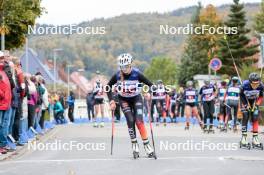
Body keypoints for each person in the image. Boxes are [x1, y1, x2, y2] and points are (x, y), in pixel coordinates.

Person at [107, 53, 155, 158]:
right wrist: (111, 101)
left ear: (130, 65)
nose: (124, 69)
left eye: (126, 66)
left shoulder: (137, 73)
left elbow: (151, 85)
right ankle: (134, 144)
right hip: (123, 99)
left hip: (136, 98)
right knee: (130, 120)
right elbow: (108, 87)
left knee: (139, 121)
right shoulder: (117, 75)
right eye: (122, 67)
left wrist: (148, 93)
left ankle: (146, 145)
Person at [240, 73, 263, 148]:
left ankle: (255, 138)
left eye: (257, 83)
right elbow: (241, 96)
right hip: (245, 100)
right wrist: (245, 105)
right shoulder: (244, 85)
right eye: (253, 84)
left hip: (254, 101)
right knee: (245, 116)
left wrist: (257, 104)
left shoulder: (261, 86)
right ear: (250, 82)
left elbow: (261, 96)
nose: (255, 85)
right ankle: (244, 137)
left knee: (255, 117)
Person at [0, 51, 12, 154]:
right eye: (1, 58)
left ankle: (3, 144)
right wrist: (3, 95)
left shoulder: (4, 71)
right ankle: (2, 145)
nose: (2, 60)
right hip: (2, 103)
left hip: (6, 103)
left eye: (3, 58)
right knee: (2, 125)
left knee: (4, 125)